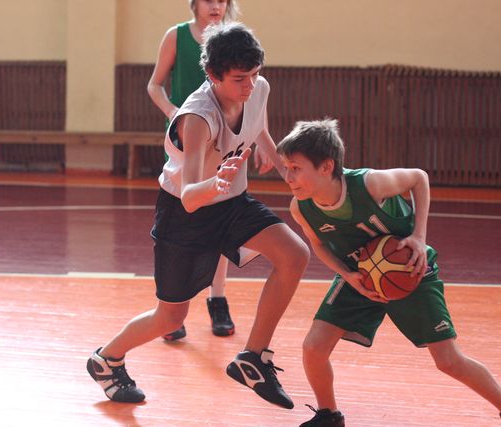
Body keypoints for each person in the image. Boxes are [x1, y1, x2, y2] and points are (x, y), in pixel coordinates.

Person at [88, 22, 309, 408]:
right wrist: (216, 182)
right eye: (240, 79)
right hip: (184, 213)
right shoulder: (197, 117)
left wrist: (289, 174)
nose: (250, 85)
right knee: (170, 318)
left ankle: (253, 358)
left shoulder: (259, 89)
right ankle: (106, 359)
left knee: (295, 254)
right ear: (212, 75)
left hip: (231, 202)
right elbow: (190, 197)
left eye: (255, 74)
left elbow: (259, 129)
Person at [276, 118, 501, 426]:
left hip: (410, 270)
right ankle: (329, 415)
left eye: (295, 168)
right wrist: (348, 275)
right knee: (313, 348)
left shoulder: (370, 184)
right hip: (359, 275)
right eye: (285, 167)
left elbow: (419, 178)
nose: (288, 177)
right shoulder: (301, 207)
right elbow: (319, 246)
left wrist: (419, 236)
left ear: (327, 167)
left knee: (449, 361)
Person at [147, 0, 252, 341]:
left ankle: (217, 299)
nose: (216, 5)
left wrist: (264, 144)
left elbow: (252, 96)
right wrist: (173, 111)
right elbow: (154, 85)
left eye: (222, 0)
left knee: (221, 217)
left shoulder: (234, 40)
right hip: (190, 140)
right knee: (184, 222)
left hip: (222, 143)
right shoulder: (176, 36)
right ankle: (173, 308)